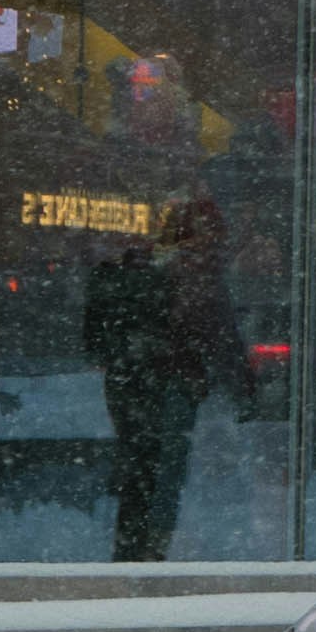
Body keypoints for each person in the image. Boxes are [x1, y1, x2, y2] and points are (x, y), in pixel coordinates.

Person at [83, 197, 233, 562]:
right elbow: (211, 327)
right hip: (167, 379)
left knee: (143, 465)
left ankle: (134, 546)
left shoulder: (137, 269)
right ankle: (149, 548)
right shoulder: (187, 271)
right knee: (163, 468)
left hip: (135, 377)